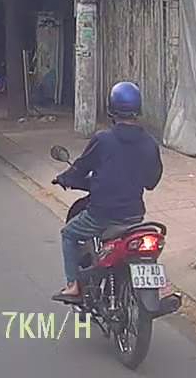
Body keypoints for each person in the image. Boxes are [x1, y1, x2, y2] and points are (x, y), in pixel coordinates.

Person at [51, 81, 163, 300]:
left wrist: (64, 178)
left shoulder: (103, 140)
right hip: (134, 216)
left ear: (111, 109)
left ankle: (73, 285)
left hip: (101, 215)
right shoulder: (149, 143)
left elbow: (81, 168)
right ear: (138, 109)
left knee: (69, 234)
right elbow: (151, 182)